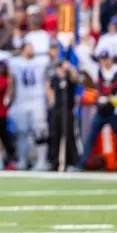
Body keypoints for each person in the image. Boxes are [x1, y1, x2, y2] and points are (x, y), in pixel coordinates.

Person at [77, 50, 117, 171]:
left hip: (115, 109)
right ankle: (82, 163)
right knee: (91, 136)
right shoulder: (98, 70)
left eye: (106, 59)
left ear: (111, 59)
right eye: (102, 59)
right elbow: (84, 60)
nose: (105, 62)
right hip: (102, 110)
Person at [8, 42, 50, 170]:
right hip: (22, 100)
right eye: (29, 48)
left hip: (37, 99)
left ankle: (42, 161)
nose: (32, 50)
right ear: (22, 50)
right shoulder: (15, 62)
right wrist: (10, 98)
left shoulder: (41, 61)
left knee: (40, 131)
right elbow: (12, 81)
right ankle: (22, 160)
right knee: (22, 132)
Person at [47, 59, 79, 171]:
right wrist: (52, 101)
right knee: (55, 135)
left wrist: (69, 68)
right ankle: (54, 162)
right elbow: (50, 89)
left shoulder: (69, 78)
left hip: (68, 110)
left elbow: (75, 78)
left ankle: (72, 162)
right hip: (57, 109)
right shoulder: (55, 78)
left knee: (69, 135)